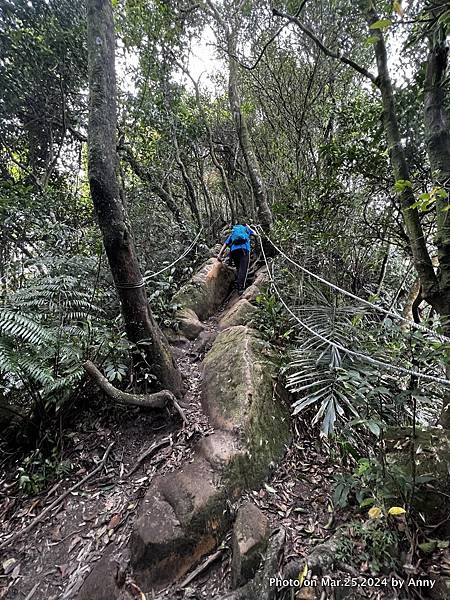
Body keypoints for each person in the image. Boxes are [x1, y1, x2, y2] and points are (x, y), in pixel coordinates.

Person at [217, 223, 256, 294]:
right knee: (243, 269)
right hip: (244, 249)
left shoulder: (233, 233)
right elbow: (255, 234)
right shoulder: (246, 229)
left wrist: (220, 254)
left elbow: (225, 244)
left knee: (238, 268)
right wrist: (249, 227)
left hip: (234, 251)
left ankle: (238, 283)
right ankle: (240, 288)